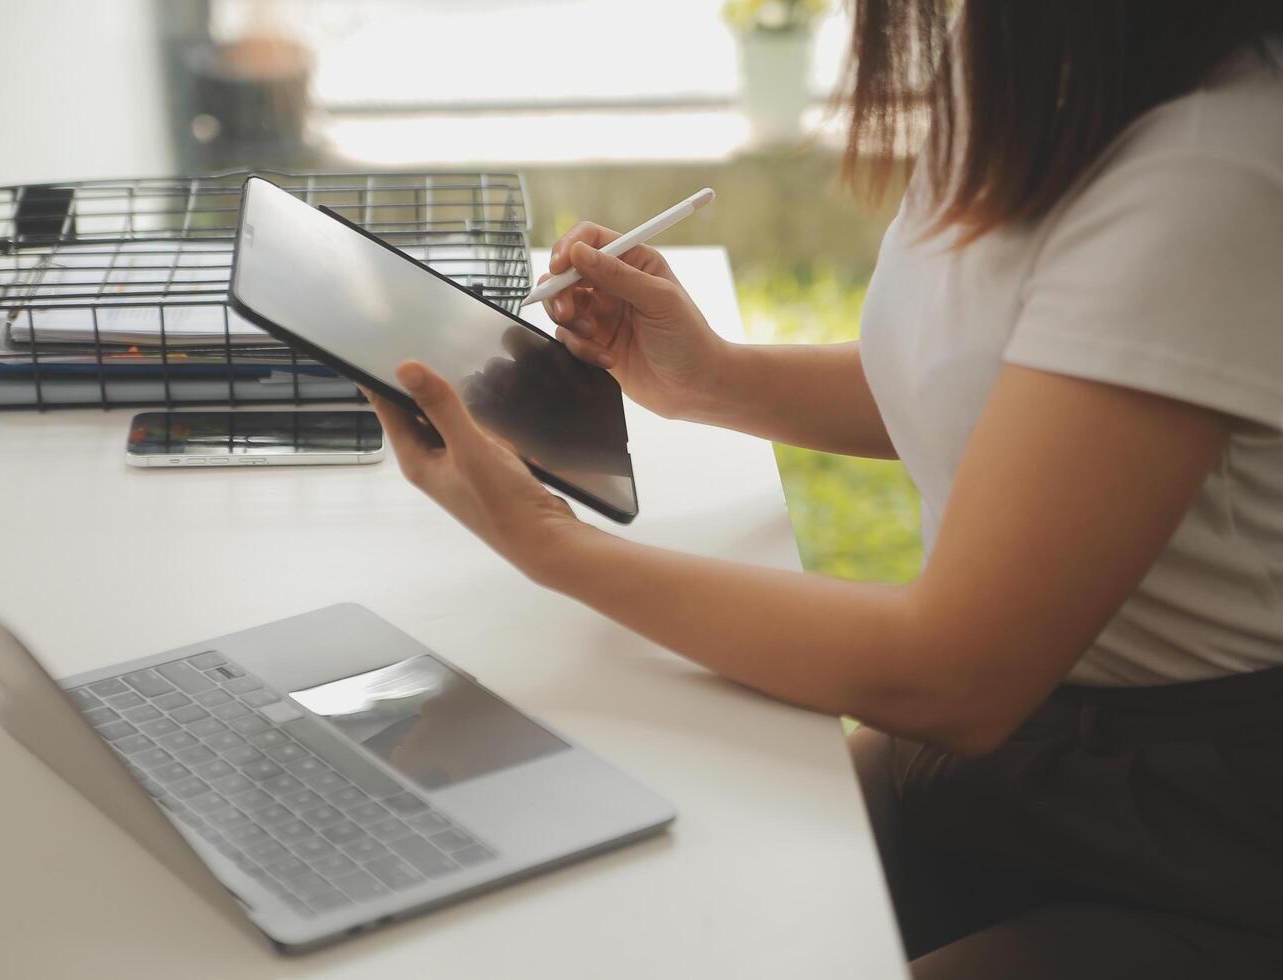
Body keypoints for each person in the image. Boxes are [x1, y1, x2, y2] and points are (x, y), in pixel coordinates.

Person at [364, 3, 1283, 976]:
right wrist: (711, 379)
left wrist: (554, 542)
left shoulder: (1209, 166)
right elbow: (1022, 401)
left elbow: (955, 671)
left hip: (1204, 822)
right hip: (1024, 750)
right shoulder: (1039, 75)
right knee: (671, 914)